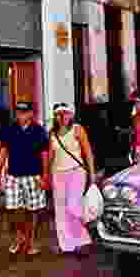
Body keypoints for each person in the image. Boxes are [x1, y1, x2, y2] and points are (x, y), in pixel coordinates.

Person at [0, 101, 50, 256]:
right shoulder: (10, 130)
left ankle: (31, 240)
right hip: (13, 176)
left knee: (33, 210)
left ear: (31, 114)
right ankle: (19, 236)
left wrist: (45, 176)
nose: (21, 115)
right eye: (18, 112)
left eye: (24, 112)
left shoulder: (39, 131)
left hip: (34, 176)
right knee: (12, 208)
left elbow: (45, 154)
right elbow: (3, 151)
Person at [48, 103, 96, 256]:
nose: (62, 117)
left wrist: (92, 174)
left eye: (65, 113)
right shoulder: (52, 133)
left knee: (73, 206)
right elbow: (50, 156)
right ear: (55, 117)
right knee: (61, 210)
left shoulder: (77, 129)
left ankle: (82, 240)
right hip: (58, 174)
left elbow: (88, 152)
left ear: (71, 115)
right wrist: (46, 175)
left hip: (77, 172)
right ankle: (66, 244)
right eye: (58, 114)